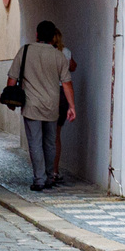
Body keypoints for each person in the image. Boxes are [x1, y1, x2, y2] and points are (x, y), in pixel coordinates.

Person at [6, 20, 75, 190]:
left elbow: (12, 79)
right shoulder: (58, 55)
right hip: (52, 105)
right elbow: (66, 83)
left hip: (31, 105)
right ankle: (50, 177)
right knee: (50, 142)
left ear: (37, 35)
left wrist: (10, 98)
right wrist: (72, 106)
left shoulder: (25, 51)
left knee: (35, 143)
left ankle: (39, 180)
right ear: (53, 37)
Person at [51, 29, 78, 179]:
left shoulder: (45, 52)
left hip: (46, 93)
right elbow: (73, 66)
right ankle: (54, 171)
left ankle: (44, 171)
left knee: (42, 134)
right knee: (56, 134)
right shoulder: (65, 52)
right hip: (61, 95)